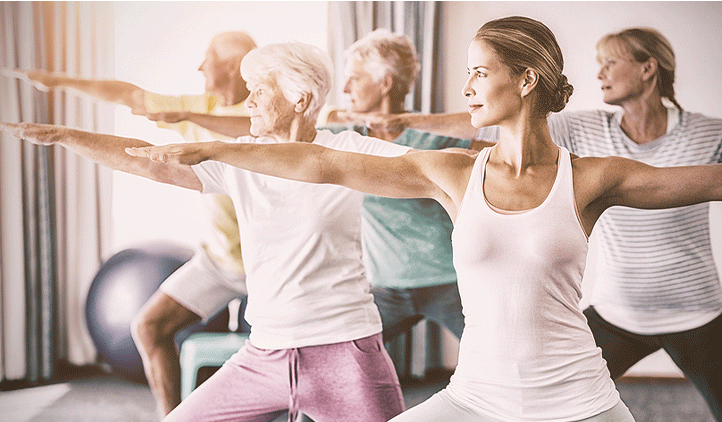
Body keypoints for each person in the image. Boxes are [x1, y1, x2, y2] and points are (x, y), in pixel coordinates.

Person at [123, 15, 722, 421]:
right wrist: (213, 146)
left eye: (480, 71)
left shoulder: (593, 175)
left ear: (527, 79)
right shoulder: (457, 173)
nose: (467, 87)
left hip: (578, 397)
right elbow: (323, 161)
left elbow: (713, 180)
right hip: (474, 397)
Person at [1, 40, 407, 422]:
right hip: (263, 355)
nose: (247, 103)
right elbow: (146, 161)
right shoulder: (240, 158)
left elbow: (430, 167)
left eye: (260, 92)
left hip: (345, 352)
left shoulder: (354, 152)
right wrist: (65, 135)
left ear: (299, 99)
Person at [472, 27, 722, 421]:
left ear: (647, 68)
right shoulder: (585, 128)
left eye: (610, 62)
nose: (600, 73)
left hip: (697, 313)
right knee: (551, 402)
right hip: (617, 314)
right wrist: (401, 120)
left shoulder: (709, 132)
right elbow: (487, 121)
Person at [3, 32, 256, 417]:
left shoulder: (268, 111)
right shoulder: (196, 106)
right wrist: (62, 82)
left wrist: (188, 117)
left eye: (208, 57)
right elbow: (129, 96)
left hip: (268, 266)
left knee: (274, 355)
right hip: (218, 263)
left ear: (233, 65)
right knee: (149, 328)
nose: (200, 66)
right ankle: (171, 417)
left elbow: (255, 125)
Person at [321, 28, 486, 344]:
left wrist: (409, 122)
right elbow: (278, 134)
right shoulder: (346, 135)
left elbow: (487, 125)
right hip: (386, 288)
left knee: (497, 359)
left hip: (449, 281)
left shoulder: (432, 136)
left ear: (385, 83)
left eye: (354, 78)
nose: (344, 88)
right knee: (343, 353)